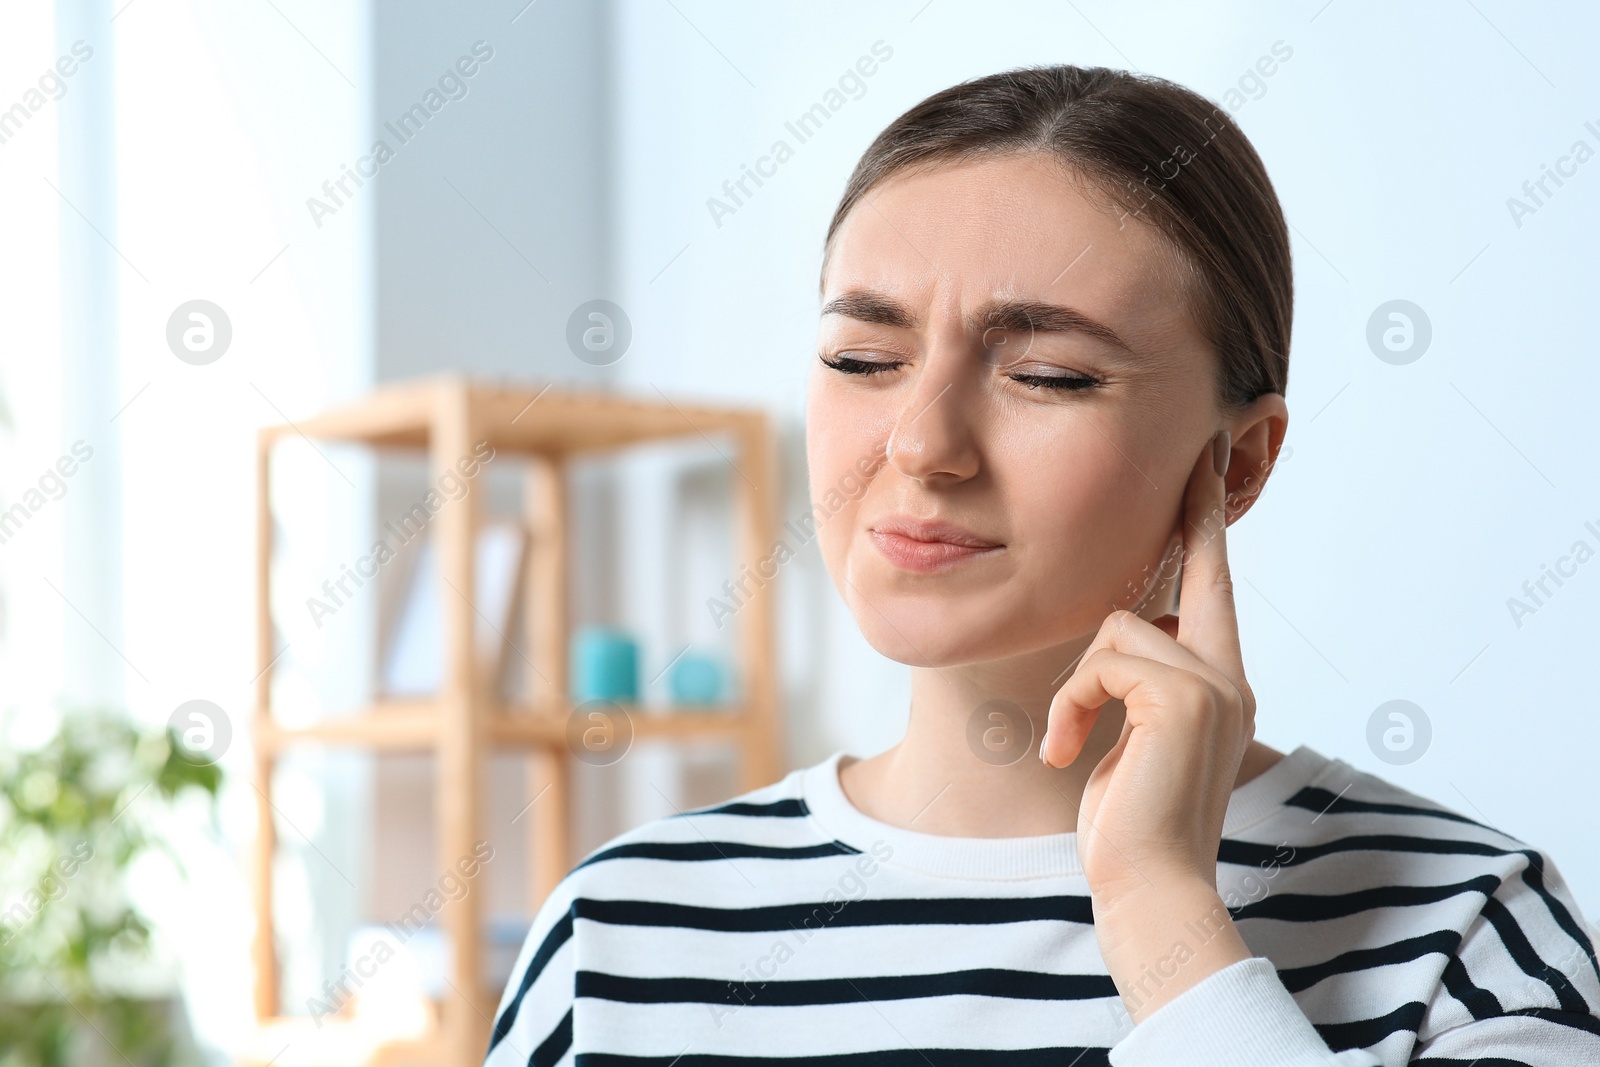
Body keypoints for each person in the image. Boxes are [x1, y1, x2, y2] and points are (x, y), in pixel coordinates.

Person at [483, 64, 1600, 1065]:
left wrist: (1161, 909)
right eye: (862, 357)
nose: (920, 444)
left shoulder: (1468, 930)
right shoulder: (619, 933)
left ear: (1240, 460)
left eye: (1049, 376)